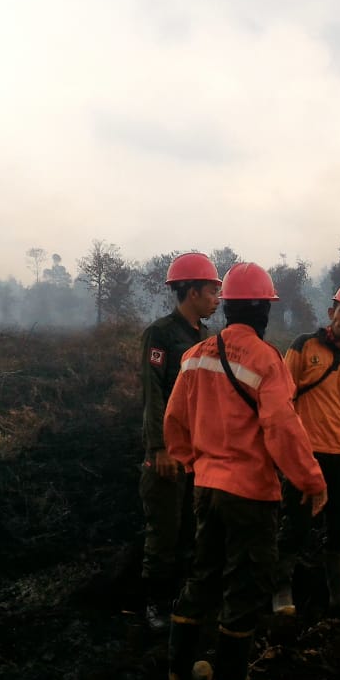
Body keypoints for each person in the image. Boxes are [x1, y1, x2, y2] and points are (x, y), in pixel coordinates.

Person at [163, 262, 328, 680]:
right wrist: (310, 480)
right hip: (250, 495)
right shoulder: (266, 359)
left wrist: (194, 464)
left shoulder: (194, 355)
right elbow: (282, 428)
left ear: (228, 307)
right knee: (245, 586)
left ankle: (180, 679)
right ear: (264, 310)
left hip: (206, 488)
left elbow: (174, 420)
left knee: (202, 577)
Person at [273, 281, 340, 616]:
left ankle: (339, 593)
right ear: (332, 312)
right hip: (305, 456)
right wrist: (285, 452)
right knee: (295, 523)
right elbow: (282, 401)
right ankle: (281, 590)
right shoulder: (303, 346)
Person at [134, 252, 221, 631]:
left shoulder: (206, 338)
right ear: (192, 292)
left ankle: (184, 600)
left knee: (191, 529)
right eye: (212, 291)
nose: (217, 299)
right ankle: (156, 604)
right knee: (164, 531)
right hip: (168, 452)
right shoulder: (161, 335)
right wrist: (159, 448)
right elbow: (153, 394)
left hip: (197, 452)